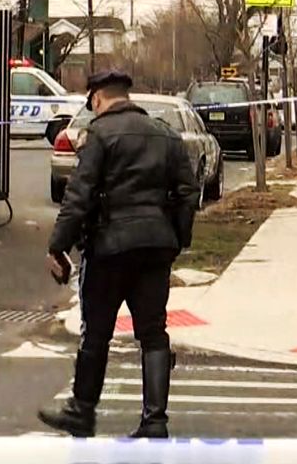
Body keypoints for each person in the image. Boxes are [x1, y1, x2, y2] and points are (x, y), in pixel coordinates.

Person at [38, 69, 199, 439]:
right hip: (155, 249)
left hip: (108, 250)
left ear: (96, 98)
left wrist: (57, 247)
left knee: (96, 334)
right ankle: (155, 420)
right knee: (153, 333)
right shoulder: (165, 134)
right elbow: (188, 191)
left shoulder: (98, 135)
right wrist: (177, 238)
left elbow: (77, 198)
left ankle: (82, 413)